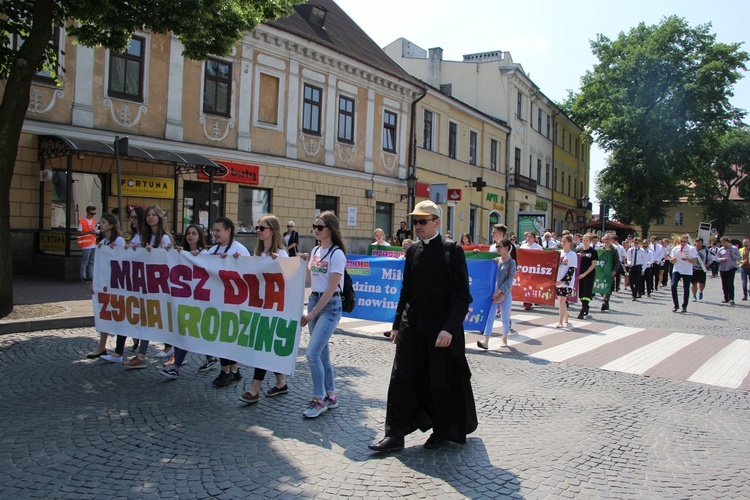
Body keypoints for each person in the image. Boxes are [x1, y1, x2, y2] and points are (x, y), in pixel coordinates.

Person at [369, 200, 476, 452]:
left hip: (440, 330)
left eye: (422, 221)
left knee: (438, 380)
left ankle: (441, 429)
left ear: (436, 222)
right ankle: (395, 434)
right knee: (400, 377)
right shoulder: (413, 250)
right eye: (415, 221)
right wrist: (396, 325)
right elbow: (406, 291)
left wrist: (449, 329)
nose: (417, 225)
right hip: (412, 325)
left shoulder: (452, 250)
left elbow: (463, 296)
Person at [238, 214, 291, 403]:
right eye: (257, 228)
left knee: (262, 347)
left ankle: (254, 389)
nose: (258, 231)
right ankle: (281, 382)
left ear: (272, 231)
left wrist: (281, 264)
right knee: (266, 347)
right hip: (259, 305)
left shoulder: (281, 254)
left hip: (273, 307)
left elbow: (292, 278)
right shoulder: (258, 254)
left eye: (262, 228)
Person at [300, 211, 346, 418]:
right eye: (314, 226)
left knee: (311, 354)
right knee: (322, 354)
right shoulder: (316, 250)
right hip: (314, 301)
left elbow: (331, 289)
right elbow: (310, 280)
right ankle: (331, 395)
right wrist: (304, 262)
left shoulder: (337, 254)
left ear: (330, 229)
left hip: (329, 305)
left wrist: (312, 314)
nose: (315, 230)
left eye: (320, 227)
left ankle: (319, 399)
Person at [122, 206, 174, 369]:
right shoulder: (145, 237)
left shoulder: (164, 238)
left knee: (164, 320)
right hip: (146, 284)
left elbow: (168, 260)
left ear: (160, 217)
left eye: (154, 215)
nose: (151, 218)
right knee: (146, 319)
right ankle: (141, 355)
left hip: (160, 285)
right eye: (149, 215)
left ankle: (174, 353)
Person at [158, 224, 212, 377]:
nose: (190, 236)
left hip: (199, 300)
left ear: (199, 236)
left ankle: (176, 367)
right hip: (185, 298)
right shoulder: (181, 252)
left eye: (194, 233)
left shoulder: (204, 253)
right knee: (190, 332)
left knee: (188, 331)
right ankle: (211, 357)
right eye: (188, 233)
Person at [207, 217, 251, 386]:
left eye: (218, 230)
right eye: (214, 230)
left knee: (227, 336)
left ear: (228, 230)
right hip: (217, 300)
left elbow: (248, 274)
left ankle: (227, 371)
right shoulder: (212, 250)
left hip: (233, 302)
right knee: (222, 336)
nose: (215, 233)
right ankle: (233, 370)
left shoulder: (240, 249)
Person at [87, 213, 125, 359]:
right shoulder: (102, 243)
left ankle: (120, 348)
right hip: (104, 283)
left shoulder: (119, 241)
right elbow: (98, 265)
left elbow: (123, 260)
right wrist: (93, 283)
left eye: (103, 222)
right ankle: (102, 346)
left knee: (118, 313)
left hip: (116, 284)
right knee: (104, 313)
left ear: (111, 225)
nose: (100, 225)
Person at [477, 237, 516, 350]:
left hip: (505, 293)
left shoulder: (511, 263)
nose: (497, 248)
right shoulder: (496, 260)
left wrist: (501, 292)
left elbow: (509, 280)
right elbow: (483, 262)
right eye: (497, 246)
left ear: (507, 248)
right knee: (490, 317)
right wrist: (477, 253)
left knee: (505, 318)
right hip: (493, 293)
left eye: (500, 247)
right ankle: (486, 340)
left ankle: (504, 338)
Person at [670, 234, 698, 313]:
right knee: (673, 285)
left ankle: (684, 306)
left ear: (687, 241)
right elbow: (671, 260)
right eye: (681, 241)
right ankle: (676, 305)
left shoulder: (691, 249)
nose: (682, 243)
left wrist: (688, 259)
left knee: (686, 288)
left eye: (684, 241)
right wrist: (673, 259)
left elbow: (695, 261)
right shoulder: (675, 248)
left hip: (687, 271)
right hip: (677, 269)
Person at [555, 234, 577, 328]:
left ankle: (560, 321)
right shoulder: (558, 253)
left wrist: (562, 281)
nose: (563, 243)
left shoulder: (572, 255)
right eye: (562, 241)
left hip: (566, 282)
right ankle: (566, 315)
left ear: (570, 243)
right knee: (561, 300)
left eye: (565, 241)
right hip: (558, 279)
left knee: (561, 300)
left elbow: (571, 270)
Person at [576, 234, 598, 319]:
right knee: (581, 293)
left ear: (590, 241)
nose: (585, 242)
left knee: (586, 292)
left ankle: (583, 309)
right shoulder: (579, 250)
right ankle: (585, 306)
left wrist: (585, 274)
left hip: (589, 274)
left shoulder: (593, 252)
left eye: (587, 241)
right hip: (580, 274)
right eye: (584, 240)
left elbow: (593, 265)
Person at [598, 233, 621, 310]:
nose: (606, 241)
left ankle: (605, 301)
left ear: (611, 240)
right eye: (605, 239)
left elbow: (617, 261)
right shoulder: (601, 248)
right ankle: (604, 298)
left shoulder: (614, 249)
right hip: (601, 270)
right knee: (600, 286)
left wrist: (614, 270)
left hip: (610, 271)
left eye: (608, 239)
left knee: (608, 286)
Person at [716, 236, 741, 305]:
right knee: (724, 284)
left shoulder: (734, 248)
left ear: (728, 242)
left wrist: (733, 255)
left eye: (724, 243)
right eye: (722, 243)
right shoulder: (720, 249)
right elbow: (717, 258)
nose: (722, 244)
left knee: (730, 283)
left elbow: (738, 258)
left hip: (731, 267)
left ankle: (731, 298)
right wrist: (722, 259)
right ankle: (726, 298)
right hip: (723, 268)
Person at [77, 205, 98, 283]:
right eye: (91, 214)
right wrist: (89, 232)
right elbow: (79, 233)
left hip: (93, 243)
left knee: (91, 261)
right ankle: (83, 276)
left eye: (94, 214)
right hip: (86, 244)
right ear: (87, 212)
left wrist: (95, 232)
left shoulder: (93, 221)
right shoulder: (82, 221)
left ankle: (90, 276)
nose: (92, 215)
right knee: (85, 261)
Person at [691, 237, 709, 302]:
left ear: (702, 243)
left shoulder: (706, 251)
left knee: (702, 284)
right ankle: (694, 296)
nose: (698, 244)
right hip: (693, 269)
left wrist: (707, 265)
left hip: (702, 269)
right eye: (697, 242)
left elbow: (710, 260)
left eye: (700, 242)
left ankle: (701, 291)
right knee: (694, 283)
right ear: (695, 243)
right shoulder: (692, 250)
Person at [627, 237, 644, 302]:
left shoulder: (642, 251)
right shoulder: (630, 250)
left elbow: (644, 260)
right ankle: (633, 292)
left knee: (637, 282)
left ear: (639, 243)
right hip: (632, 266)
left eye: (637, 243)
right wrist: (629, 263)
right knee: (631, 282)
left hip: (638, 266)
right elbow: (628, 258)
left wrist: (643, 269)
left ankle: (634, 295)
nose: (636, 244)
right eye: (634, 243)